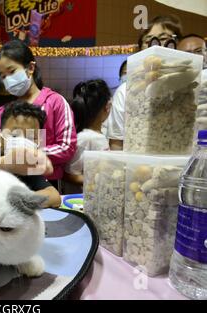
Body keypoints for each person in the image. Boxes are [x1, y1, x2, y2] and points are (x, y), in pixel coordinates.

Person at [0, 40, 77, 191]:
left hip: (45, 182)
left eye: (11, 72)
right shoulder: (4, 111)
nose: (7, 80)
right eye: (3, 76)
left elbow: (67, 146)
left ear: (30, 68)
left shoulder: (55, 102)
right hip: (8, 182)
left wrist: (28, 154)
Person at [107, 15, 183, 151]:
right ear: (140, 48)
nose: (157, 45)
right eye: (149, 40)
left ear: (177, 43)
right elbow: (117, 143)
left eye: (164, 38)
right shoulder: (126, 91)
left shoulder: (189, 85)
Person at [0, 100, 61, 207]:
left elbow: (54, 196)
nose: (22, 141)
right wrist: (8, 163)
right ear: (0, 139)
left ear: (38, 143)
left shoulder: (29, 169)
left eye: (30, 137)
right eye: (15, 135)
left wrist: (23, 200)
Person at [63, 80, 111, 194]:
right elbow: (68, 175)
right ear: (107, 107)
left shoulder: (99, 134)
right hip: (79, 201)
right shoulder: (85, 138)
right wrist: (99, 182)